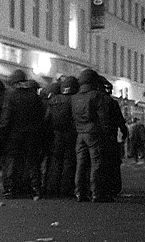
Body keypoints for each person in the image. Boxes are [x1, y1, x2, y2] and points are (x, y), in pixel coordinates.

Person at [0, 71, 46, 200]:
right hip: (31, 135)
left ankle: (10, 189)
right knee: (32, 162)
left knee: (12, 161)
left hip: (14, 135)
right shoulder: (34, 97)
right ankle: (36, 188)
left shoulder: (10, 96)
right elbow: (41, 117)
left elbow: (6, 119)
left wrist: (3, 135)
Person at [70, 69, 105, 202]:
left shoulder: (74, 98)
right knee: (96, 163)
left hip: (80, 133)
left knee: (81, 164)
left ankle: (80, 192)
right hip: (93, 132)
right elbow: (102, 117)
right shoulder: (96, 95)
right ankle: (96, 192)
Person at [44, 76, 78, 197]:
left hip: (56, 134)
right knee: (69, 160)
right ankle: (66, 187)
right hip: (71, 135)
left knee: (55, 160)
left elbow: (47, 119)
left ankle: (52, 187)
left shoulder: (54, 100)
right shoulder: (75, 100)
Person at [97, 76, 128, 200]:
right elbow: (120, 120)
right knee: (111, 163)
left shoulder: (91, 99)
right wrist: (124, 132)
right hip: (109, 136)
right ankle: (111, 188)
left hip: (94, 136)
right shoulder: (111, 102)